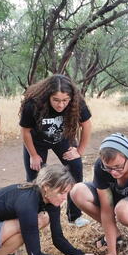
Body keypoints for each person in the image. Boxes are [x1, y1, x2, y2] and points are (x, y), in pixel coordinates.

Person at [19, 74, 93, 227]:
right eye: (56, 100)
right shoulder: (33, 104)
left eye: (65, 100)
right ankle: (38, 215)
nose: (61, 105)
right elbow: (25, 131)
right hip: (36, 141)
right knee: (34, 178)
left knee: (76, 169)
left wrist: (79, 151)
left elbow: (86, 125)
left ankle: (74, 216)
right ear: (48, 96)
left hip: (63, 138)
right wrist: (33, 155)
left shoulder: (77, 102)